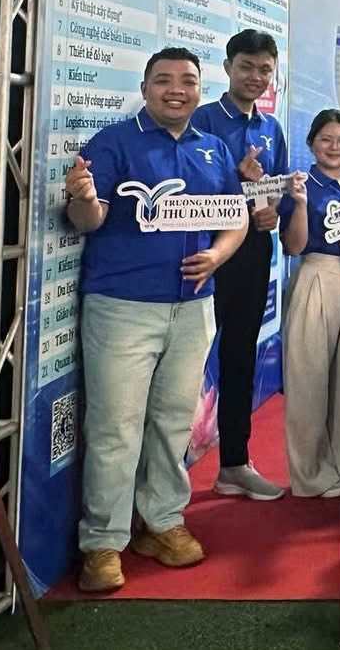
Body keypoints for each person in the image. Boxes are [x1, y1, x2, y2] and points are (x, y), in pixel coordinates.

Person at [64, 46, 250, 594]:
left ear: (199, 89)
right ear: (145, 88)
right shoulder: (114, 143)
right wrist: (84, 198)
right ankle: (102, 542)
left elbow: (235, 219)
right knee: (115, 426)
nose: (177, 90)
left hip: (193, 307)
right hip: (122, 306)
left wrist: (217, 256)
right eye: (164, 80)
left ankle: (162, 522)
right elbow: (88, 220)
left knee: (172, 422)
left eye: (187, 81)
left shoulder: (213, 149)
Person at [189, 29, 289, 504]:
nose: (256, 76)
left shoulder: (272, 128)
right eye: (247, 66)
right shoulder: (202, 119)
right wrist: (237, 178)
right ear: (228, 67)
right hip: (203, 254)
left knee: (239, 358)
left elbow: (275, 193)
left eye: (265, 69)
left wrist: (270, 209)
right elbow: (188, 185)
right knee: (188, 363)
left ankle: (234, 463)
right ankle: (164, 479)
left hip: (252, 255)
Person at [280, 109, 340, 497]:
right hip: (316, 276)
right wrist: (301, 205)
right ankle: (311, 474)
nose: (334, 147)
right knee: (308, 379)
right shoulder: (300, 186)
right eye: (326, 139)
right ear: (311, 143)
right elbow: (293, 246)